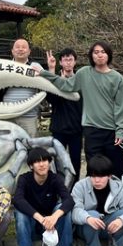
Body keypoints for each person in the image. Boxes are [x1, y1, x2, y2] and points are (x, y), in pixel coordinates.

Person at [39, 41, 123, 177]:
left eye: (103, 52)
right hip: (91, 129)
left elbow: (121, 106)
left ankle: (115, 197)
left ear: (109, 55)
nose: (99, 55)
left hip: (113, 131)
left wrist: (121, 131)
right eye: (96, 52)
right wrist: (44, 73)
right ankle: (92, 196)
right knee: (93, 167)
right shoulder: (84, 73)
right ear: (91, 56)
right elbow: (65, 86)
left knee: (116, 167)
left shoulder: (117, 78)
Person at [13, 147, 80, 246]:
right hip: (33, 225)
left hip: (52, 226)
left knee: (63, 209)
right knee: (20, 213)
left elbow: (69, 200)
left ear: (50, 163)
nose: (42, 164)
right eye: (37, 161)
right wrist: (40, 218)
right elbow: (18, 200)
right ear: (31, 165)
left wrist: (54, 216)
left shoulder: (55, 179)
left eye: (45, 160)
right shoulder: (24, 179)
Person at [45, 48, 83, 181]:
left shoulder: (80, 81)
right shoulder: (55, 80)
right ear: (60, 62)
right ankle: (59, 189)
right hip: (59, 127)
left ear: (75, 62)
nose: (68, 63)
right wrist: (51, 69)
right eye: (65, 60)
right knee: (58, 161)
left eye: (70, 59)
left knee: (75, 161)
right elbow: (50, 99)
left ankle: (75, 189)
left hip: (76, 128)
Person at [2, 38, 44, 137]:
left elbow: (47, 83)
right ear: (12, 51)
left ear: (29, 52)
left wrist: (49, 70)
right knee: (8, 146)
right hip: (8, 114)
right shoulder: (4, 66)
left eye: (24, 47)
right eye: (17, 47)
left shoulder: (35, 66)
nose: (20, 49)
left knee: (29, 145)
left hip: (29, 116)